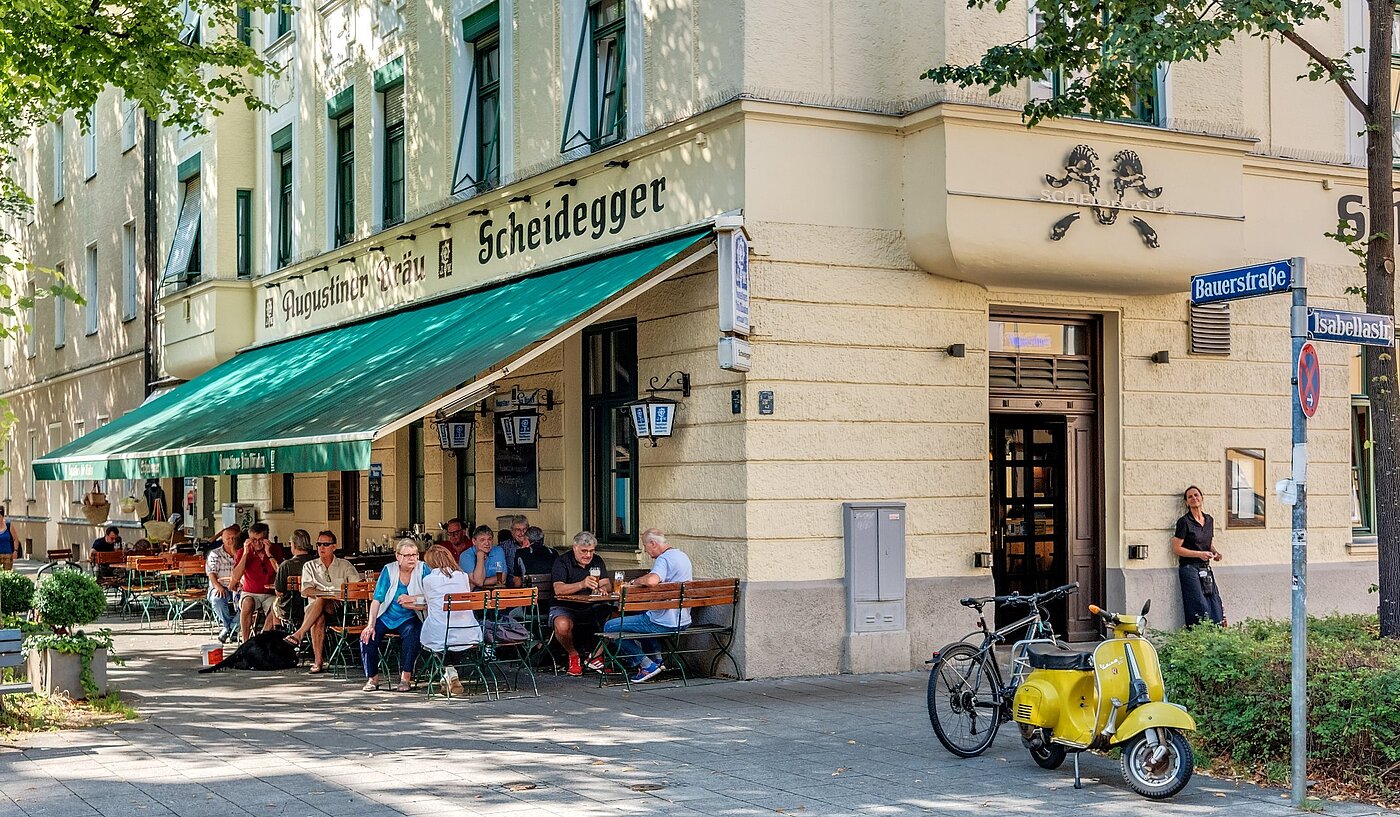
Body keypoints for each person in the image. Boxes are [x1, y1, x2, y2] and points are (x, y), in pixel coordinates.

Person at [597, 528, 693, 682]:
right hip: (683, 619)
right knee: (644, 618)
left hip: (665, 621)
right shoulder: (682, 556)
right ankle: (657, 661)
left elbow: (652, 581)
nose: (645, 551)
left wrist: (635, 581)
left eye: (645, 546)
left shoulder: (664, 559)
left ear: (653, 543)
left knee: (610, 626)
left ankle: (646, 664)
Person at [285, 530, 360, 673]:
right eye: (319, 544)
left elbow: (356, 585)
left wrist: (329, 594)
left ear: (334, 547)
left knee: (320, 600)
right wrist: (325, 594)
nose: (321, 548)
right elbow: (305, 591)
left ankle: (299, 634)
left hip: (338, 608)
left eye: (326, 544)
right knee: (318, 615)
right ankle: (318, 661)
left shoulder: (345, 565)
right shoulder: (310, 566)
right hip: (314, 609)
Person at [361, 539, 430, 692]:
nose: (412, 558)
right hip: (387, 615)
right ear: (398, 556)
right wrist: (370, 625)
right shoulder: (389, 570)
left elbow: (432, 596)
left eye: (415, 554)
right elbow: (377, 599)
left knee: (412, 634)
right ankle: (373, 678)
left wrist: (412, 598)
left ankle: (406, 678)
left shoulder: (423, 569)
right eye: (407, 555)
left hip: (412, 616)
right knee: (367, 637)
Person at [550, 531, 613, 676]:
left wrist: (602, 589)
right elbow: (558, 589)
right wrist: (582, 584)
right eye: (584, 551)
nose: (588, 555)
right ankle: (573, 656)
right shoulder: (562, 561)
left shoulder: (597, 561)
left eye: (591, 551)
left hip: (591, 606)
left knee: (616, 618)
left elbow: (607, 585)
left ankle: (595, 656)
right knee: (562, 624)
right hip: (565, 606)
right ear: (574, 548)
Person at [1171, 486, 1225, 627]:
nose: (1194, 498)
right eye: (1190, 497)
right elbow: (1177, 548)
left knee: (1214, 603)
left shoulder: (1209, 520)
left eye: (1196, 495)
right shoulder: (1184, 522)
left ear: (1202, 498)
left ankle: (1216, 635)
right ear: (1186, 502)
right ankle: (1197, 638)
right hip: (1189, 568)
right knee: (1198, 605)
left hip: (1205, 568)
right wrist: (1199, 554)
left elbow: (1209, 543)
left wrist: (1215, 553)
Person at [419, 545, 481, 652]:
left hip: (440, 637)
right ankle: (450, 663)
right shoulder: (463, 576)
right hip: (468, 634)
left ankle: (445, 663)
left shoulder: (428, 580)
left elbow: (429, 603)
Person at [231, 522, 280, 641]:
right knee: (247, 603)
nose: (257, 543)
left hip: (270, 593)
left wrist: (269, 554)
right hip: (250, 592)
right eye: (254, 540)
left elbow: (280, 572)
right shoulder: (243, 552)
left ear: (266, 539)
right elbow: (236, 576)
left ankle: (262, 638)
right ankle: (246, 641)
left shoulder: (275, 550)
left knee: (276, 607)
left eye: (261, 540)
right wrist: (246, 554)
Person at [205, 526, 242, 643]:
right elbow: (211, 573)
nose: (230, 541)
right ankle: (229, 627)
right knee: (217, 599)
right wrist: (218, 586)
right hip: (221, 584)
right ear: (222, 539)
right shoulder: (215, 554)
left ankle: (231, 628)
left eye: (233, 538)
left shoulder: (242, 553)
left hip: (239, 586)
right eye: (227, 538)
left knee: (248, 601)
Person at [274, 530, 314, 630]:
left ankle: (277, 632)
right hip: (312, 607)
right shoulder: (315, 563)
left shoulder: (286, 565)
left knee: (274, 604)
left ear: (294, 545)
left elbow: (279, 592)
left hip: (292, 609)